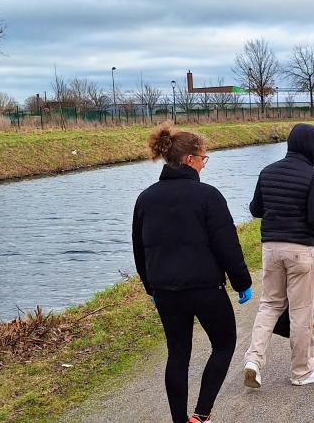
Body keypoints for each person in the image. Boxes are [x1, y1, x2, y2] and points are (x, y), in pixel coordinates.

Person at [133, 122, 253, 423]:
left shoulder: (145, 199)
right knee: (224, 344)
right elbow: (227, 244)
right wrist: (241, 282)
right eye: (202, 158)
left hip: (166, 291)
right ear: (189, 159)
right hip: (206, 289)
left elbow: (140, 249)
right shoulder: (208, 196)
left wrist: (151, 288)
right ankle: (200, 415)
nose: (203, 164)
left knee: (177, 354)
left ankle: (179, 420)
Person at [243, 123, 314, 388]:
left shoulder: (267, 172)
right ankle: (302, 372)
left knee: (269, 305)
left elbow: (256, 210)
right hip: (300, 250)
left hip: (270, 248)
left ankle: (253, 361)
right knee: (302, 311)